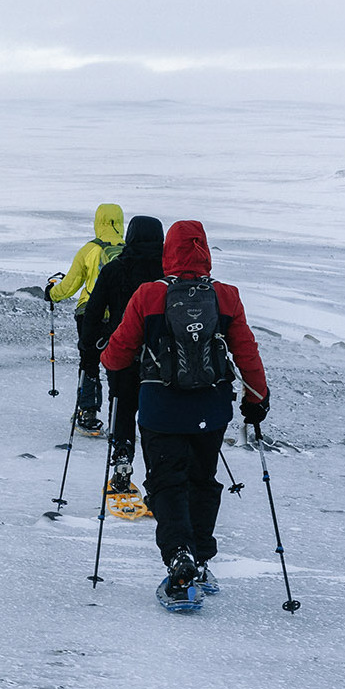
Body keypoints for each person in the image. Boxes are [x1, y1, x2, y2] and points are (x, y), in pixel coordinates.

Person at [99, 220, 270, 609]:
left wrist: (109, 358)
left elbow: (118, 353)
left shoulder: (148, 295)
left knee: (166, 483)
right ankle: (202, 559)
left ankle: (180, 558)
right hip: (211, 409)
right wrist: (256, 398)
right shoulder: (226, 296)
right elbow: (246, 352)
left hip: (161, 408)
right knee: (202, 481)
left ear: (168, 252)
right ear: (205, 252)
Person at [87, 215, 165, 499]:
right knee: (155, 415)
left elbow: (94, 312)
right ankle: (158, 474)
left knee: (122, 404)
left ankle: (122, 454)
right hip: (162, 359)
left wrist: (90, 353)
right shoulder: (167, 273)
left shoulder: (115, 269)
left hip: (121, 351)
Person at [47, 204, 125, 434]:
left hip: (90, 313)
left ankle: (88, 411)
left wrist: (52, 294)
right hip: (121, 317)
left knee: (89, 362)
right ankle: (119, 416)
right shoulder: (129, 250)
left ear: (98, 221)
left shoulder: (89, 250)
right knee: (118, 365)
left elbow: (71, 284)